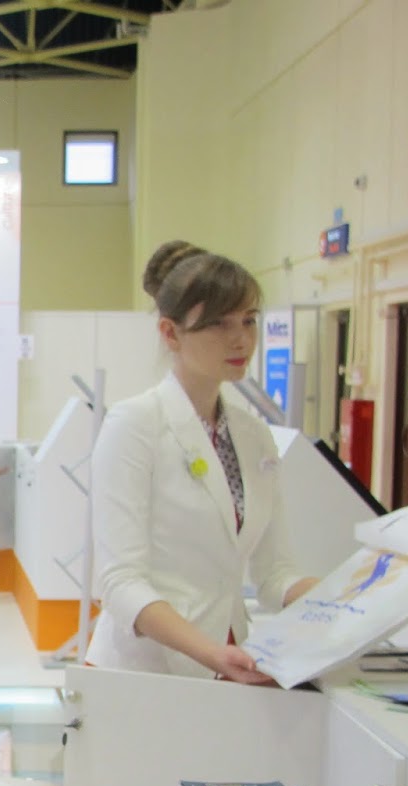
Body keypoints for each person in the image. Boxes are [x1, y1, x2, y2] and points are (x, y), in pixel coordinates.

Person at [86, 241, 318, 682]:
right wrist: (211, 653)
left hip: (229, 657)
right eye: (219, 324)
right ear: (171, 333)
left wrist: (343, 602)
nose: (241, 339)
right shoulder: (135, 425)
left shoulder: (253, 435)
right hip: (145, 670)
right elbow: (119, 582)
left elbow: (275, 574)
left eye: (249, 320)